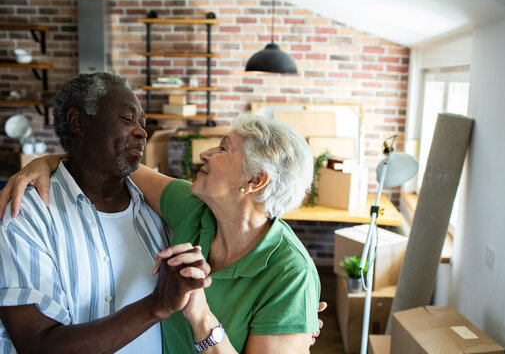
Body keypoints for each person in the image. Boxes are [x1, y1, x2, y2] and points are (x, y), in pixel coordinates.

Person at [2, 113, 323, 353]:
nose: (206, 153)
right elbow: (118, 163)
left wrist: (201, 317)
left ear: (254, 181)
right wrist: (49, 161)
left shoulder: (291, 274)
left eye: (224, 148)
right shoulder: (193, 208)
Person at [0, 72, 211, 354]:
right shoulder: (27, 214)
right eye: (127, 120)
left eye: (142, 124)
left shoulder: (157, 211)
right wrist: (156, 305)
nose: (141, 132)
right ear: (79, 122)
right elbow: (37, 344)